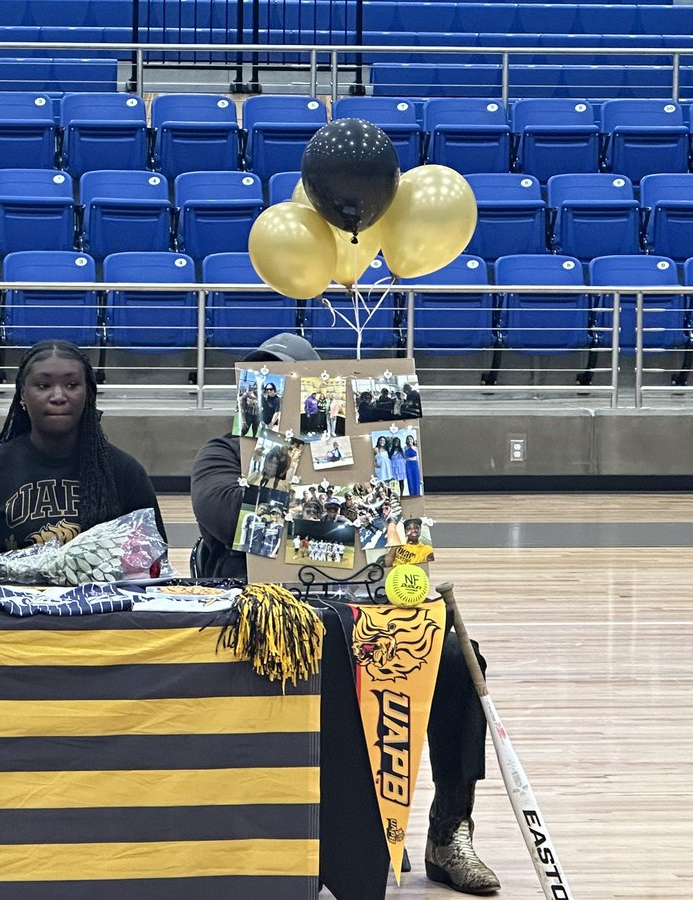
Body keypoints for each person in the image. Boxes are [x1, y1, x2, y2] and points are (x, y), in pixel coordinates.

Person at [190, 332, 499, 895]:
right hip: (267, 617)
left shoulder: (368, 445)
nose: (273, 394)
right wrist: (337, 501)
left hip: (362, 608)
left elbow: (399, 530)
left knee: (454, 658)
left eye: (286, 383)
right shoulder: (222, 451)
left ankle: (448, 830)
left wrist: (389, 516)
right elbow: (224, 514)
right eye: (261, 385)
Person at [0, 339, 166, 557]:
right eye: (43, 385)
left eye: (71, 385)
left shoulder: (124, 473)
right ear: (23, 394)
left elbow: (153, 563)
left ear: (87, 393)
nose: (58, 396)